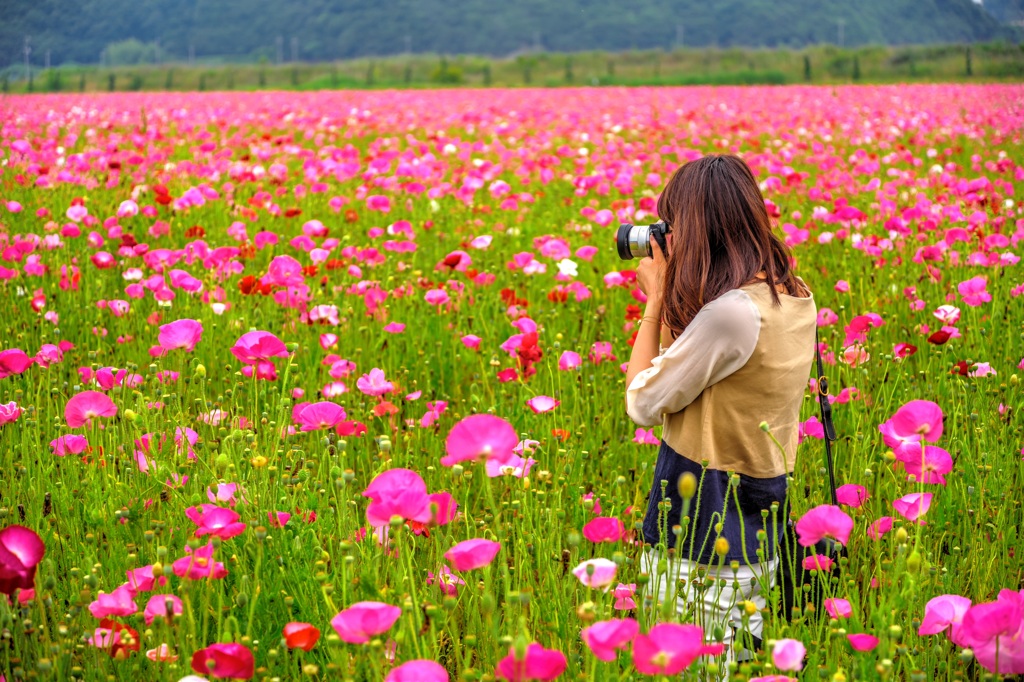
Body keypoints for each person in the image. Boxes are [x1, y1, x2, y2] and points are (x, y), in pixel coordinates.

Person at [624, 154, 817, 662]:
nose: (666, 237)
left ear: (701, 227)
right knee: (735, 658)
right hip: (758, 520)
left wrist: (656, 298)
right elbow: (689, 372)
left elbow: (643, 401)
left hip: (702, 532)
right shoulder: (792, 295)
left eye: (674, 224)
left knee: (691, 666)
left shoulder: (731, 314)